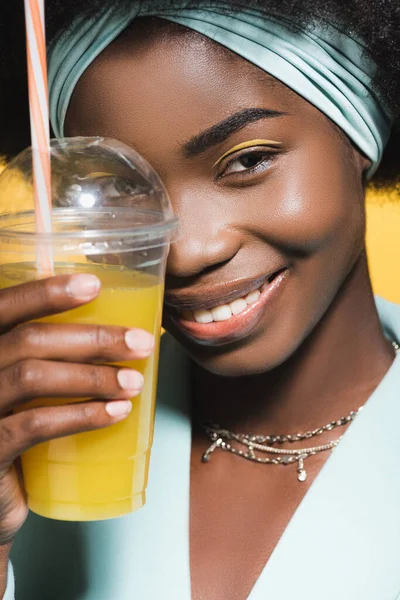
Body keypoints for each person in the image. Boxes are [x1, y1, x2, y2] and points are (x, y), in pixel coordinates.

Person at [0, 1, 399, 598]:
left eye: (248, 161)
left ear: (359, 136)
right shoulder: (44, 448)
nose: (185, 252)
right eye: (121, 187)